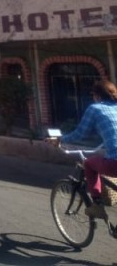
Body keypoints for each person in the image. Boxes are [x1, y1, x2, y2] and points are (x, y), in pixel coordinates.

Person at [48, 80, 117, 219]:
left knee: (89, 164)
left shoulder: (95, 108)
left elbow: (80, 134)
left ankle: (97, 206)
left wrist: (60, 140)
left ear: (96, 96)